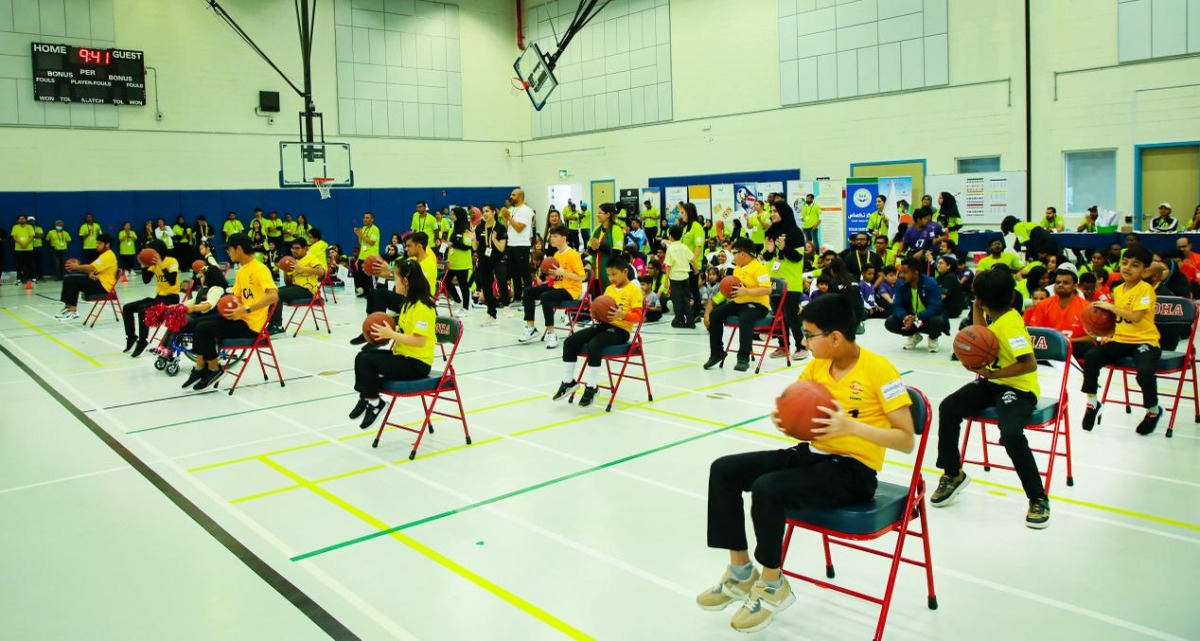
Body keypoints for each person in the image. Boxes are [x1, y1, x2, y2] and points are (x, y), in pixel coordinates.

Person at [698, 294, 914, 632]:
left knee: (767, 489)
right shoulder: (816, 366)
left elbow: (906, 439)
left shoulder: (880, 370)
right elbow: (799, 408)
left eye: (809, 334)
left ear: (835, 337)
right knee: (724, 469)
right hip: (812, 457)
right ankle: (741, 573)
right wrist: (788, 417)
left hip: (854, 471)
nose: (804, 340)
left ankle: (772, 584)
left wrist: (851, 427)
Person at [932, 268, 1050, 528]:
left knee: (1010, 434)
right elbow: (979, 334)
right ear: (1010, 296)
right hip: (993, 381)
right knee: (949, 407)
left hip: (1018, 388)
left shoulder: (1011, 325)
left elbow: (1029, 364)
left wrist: (989, 371)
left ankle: (1038, 498)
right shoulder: (998, 318)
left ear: (982, 299)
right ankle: (953, 473)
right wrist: (977, 306)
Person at [1080, 247, 1162, 434]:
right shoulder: (1117, 289)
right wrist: (1103, 333)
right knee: (1092, 357)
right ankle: (1092, 404)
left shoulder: (1145, 289)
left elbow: (1135, 317)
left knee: (1145, 371)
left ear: (1144, 271)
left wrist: (1110, 306)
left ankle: (1153, 411)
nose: (1127, 268)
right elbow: (1117, 320)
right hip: (1121, 339)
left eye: (1135, 265)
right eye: (1125, 263)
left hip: (1145, 341)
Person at [182, 233, 278, 391]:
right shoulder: (241, 271)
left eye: (229, 250)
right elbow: (237, 298)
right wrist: (225, 304)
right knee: (198, 322)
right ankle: (200, 368)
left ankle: (214, 369)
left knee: (203, 328)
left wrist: (246, 309)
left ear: (238, 249)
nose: (228, 253)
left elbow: (274, 296)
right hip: (238, 317)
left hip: (251, 325)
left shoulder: (260, 269)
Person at [350, 259, 438, 429]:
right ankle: (366, 397)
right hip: (403, 356)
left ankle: (375, 404)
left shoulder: (422, 307)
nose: (393, 282)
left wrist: (391, 334)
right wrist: (389, 330)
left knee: (366, 361)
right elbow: (405, 330)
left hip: (417, 364)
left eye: (395, 278)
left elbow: (419, 341)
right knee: (363, 357)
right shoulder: (408, 303)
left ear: (405, 281)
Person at [551, 255, 643, 408]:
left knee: (594, 344)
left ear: (625, 271)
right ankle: (568, 382)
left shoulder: (634, 290)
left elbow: (638, 317)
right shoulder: (609, 289)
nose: (611, 277)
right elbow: (602, 308)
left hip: (621, 330)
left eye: (614, 274)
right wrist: (595, 312)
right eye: (608, 274)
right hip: (604, 325)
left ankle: (592, 387)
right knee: (570, 341)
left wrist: (623, 314)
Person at [703, 238, 772, 372]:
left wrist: (747, 291)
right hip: (739, 302)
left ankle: (743, 357)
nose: (732, 255)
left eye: (734, 253)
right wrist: (711, 305)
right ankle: (717, 352)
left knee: (745, 318)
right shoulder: (737, 269)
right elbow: (728, 291)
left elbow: (767, 289)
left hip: (757, 305)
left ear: (743, 254)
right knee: (716, 315)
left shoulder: (759, 268)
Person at [518, 224, 585, 347]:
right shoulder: (556, 255)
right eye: (551, 237)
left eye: (555, 236)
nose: (552, 239)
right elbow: (557, 277)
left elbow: (582, 277)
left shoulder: (573, 254)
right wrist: (553, 276)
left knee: (546, 296)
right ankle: (531, 328)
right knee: (528, 291)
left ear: (563, 238)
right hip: (557, 287)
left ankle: (551, 333)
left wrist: (562, 273)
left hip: (571, 290)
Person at [762, 203, 807, 360]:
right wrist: (769, 251)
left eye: (775, 211)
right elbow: (767, 257)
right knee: (778, 315)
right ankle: (783, 346)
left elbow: (798, 257)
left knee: (791, 315)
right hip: (773, 280)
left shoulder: (795, 233)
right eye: (771, 211)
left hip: (790, 281)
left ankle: (801, 346)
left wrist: (783, 248)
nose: (772, 214)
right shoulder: (770, 232)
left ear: (784, 213)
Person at [122, 240, 180, 357]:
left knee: (143, 309)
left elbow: (172, 281)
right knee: (127, 308)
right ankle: (131, 336)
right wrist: (143, 265)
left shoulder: (171, 261)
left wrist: (161, 264)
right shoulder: (153, 264)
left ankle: (143, 340)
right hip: (159, 297)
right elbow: (146, 280)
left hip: (171, 299)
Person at [1023, 265, 1095, 358]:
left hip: (1073, 346)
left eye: (1065, 283)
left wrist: (1065, 341)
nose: (1060, 285)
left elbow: (1090, 337)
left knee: (1089, 347)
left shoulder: (1086, 307)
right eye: (1058, 282)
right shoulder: (1044, 304)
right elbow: (1036, 333)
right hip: (1048, 346)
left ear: (1075, 286)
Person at [885, 257, 949, 351]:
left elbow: (934, 307)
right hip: (913, 321)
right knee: (890, 322)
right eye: (901, 272)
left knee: (937, 322)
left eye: (905, 272)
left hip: (926, 320)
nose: (901, 275)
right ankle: (914, 335)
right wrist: (904, 317)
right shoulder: (900, 284)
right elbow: (897, 305)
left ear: (916, 272)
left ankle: (933, 337)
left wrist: (916, 317)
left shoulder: (930, 283)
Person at [268, 237, 326, 333]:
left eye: (297, 248)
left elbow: (321, 272)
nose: (294, 251)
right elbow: (288, 283)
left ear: (306, 249)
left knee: (276, 294)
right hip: (296, 287)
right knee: (271, 292)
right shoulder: (293, 261)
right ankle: (272, 324)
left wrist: (302, 269)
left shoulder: (311, 258)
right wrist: (286, 271)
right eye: (293, 248)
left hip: (307, 290)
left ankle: (277, 326)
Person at [56, 233, 117, 321]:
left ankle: (73, 311)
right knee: (68, 278)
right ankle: (68, 307)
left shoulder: (108, 255)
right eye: (97, 243)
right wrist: (79, 266)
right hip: (96, 281)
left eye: (100, 243)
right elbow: (91, 268)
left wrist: (77, 267)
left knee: (73, 282)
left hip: (103, 287)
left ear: (107, 245)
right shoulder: (103, 255)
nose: (97, 245)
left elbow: (90, 268)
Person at [504, 188, 535, 303]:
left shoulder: (526, 210)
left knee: (524, 272)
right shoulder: (512, 210)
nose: (511, 197)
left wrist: (509, 217)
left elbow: (519, 228)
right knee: (513, 272)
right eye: (511, 194)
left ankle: (529, 297)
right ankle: (517, 297)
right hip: (511, 244)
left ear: (521, 197)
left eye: (514, 195)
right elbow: (508, 228)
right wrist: (505, 217)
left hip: (521, 244)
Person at [588, 202, 626, 291]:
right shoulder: (596, 229)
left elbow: (616, 252)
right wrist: (592, 248)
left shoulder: (616, 229)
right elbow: (590, 250)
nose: (597, 215)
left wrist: (599, 246)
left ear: (608, 214)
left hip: (609, 272)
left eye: (600, 213)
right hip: (595, 272)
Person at [663, 226, 695, 328]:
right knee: (686, 298)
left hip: (675, 278)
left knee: (677, 300)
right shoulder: (684, 247)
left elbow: (668, 266)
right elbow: (692, 259)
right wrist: (697, 268)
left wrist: (666, 280)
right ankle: (690, 320)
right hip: (685, 277)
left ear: (670, 236)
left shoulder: (670, 249)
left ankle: (679, 319)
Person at [445, 206, 474, 313]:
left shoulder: (466, 229)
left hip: (462, 262)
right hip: (452, 262)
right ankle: (457, 300)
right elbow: (450, 244)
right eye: (451, 214)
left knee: (463, 285)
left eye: (453, 214)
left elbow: (467, 245)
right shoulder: (451, 229)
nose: (451, 216)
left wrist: (453, 244)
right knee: (447, 281)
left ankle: (465, 307)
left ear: (459, 215)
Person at [352, 212, 382, 298]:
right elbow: (361, 242)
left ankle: (371, 292)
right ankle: (365, 291)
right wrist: (358, 235)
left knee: (369, 275)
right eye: (364, 217)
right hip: (362, 255)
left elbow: (371, 242)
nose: (365, 219)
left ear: (372, 219)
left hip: (371, 256)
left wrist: (361, 234)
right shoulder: (364, 228)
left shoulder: (375, 229)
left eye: (367, 217)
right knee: (361, 275)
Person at [11, 215, 36, 285]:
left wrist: (26, 244)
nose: (21, 220)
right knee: (20, 264)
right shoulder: (15, 227)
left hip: (29, 248)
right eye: (20, 219)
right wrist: (21, 244)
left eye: (23, 219)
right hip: (19, 249)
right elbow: (14, 237)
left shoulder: (30, 227)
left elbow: (32, 236)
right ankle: (19, 278)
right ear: (18, 220)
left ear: (25, 220)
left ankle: (32, 278)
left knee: (30, 264)